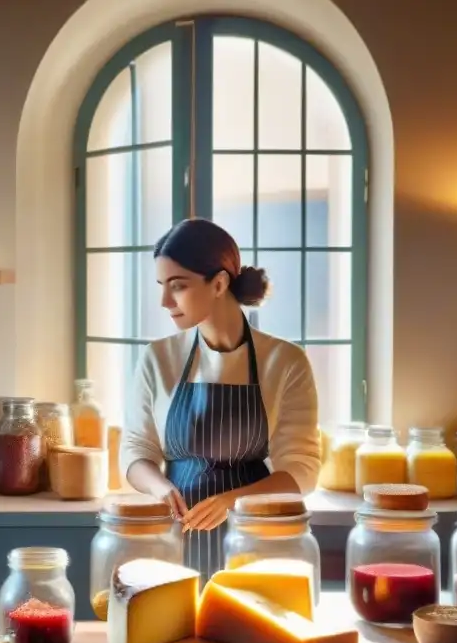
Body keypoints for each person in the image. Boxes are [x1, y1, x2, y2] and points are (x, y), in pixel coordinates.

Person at [120, 217, 321, 580]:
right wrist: (161, 487)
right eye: (162, 286)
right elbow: (135, 451)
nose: (165, 301)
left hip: (254, 540)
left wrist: (231, 502)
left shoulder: (286, 361)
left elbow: (302, 471)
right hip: (173, 538)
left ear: (219, 283)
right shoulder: (158, 358)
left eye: (177, 286)